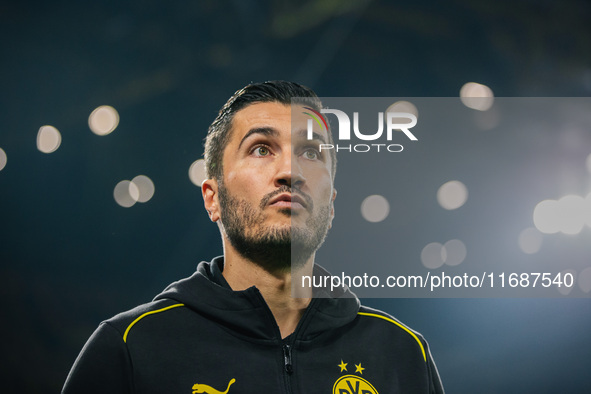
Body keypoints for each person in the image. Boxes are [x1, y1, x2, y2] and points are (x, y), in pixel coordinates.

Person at [62, 81, 444, 393]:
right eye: (261, 149)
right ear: (213, 198)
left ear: (331, 202)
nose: (290, 171)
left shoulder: (402, 354)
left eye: (311, 152)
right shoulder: (131, 348)